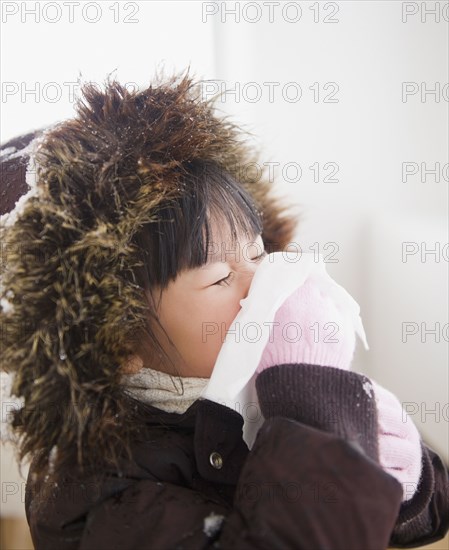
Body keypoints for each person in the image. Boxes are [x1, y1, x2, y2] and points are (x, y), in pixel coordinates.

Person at [0, 70, 447, 550]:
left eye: (258, 254)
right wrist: (311, 419)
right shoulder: (94, 492)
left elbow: (432, 515)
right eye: (218, 277)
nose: (264, 284)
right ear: (116, 339)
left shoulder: (265, 379)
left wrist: (410, 480)